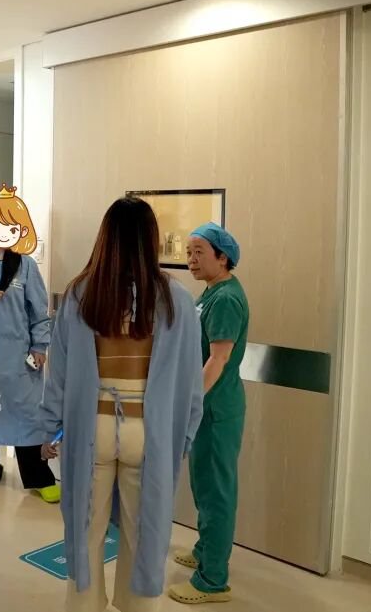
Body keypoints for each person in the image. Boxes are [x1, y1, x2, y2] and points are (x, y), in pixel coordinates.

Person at [41, 197, 203, 612]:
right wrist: (183, 438)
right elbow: (191, 383)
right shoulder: (176, 300)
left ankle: (84, 605)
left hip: (90, 428)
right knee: (144, 535)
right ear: (151, 240)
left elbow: (58, 375)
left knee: (85, 533)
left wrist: (49, 429)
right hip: (148, 433)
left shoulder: (80, 294)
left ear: (106, 238)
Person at [168, 223, 249, 606]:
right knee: (203, 485)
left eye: (199, 251)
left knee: (216, 492)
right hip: (209, 408)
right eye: (188, 252)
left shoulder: (227, 299)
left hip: (217, 411)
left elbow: (218, 360)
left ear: (223, 256)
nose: (191, 259)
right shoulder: (211, 292)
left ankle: (213, 581)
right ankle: (205, 550)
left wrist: (191, 403)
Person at [0, 184, 57, 502]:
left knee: (25, 416)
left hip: (18, 358)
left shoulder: (25, 265)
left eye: (10, 227)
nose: (3, 233)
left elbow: (39, 310)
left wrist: (40, 346)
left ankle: (37, 476)